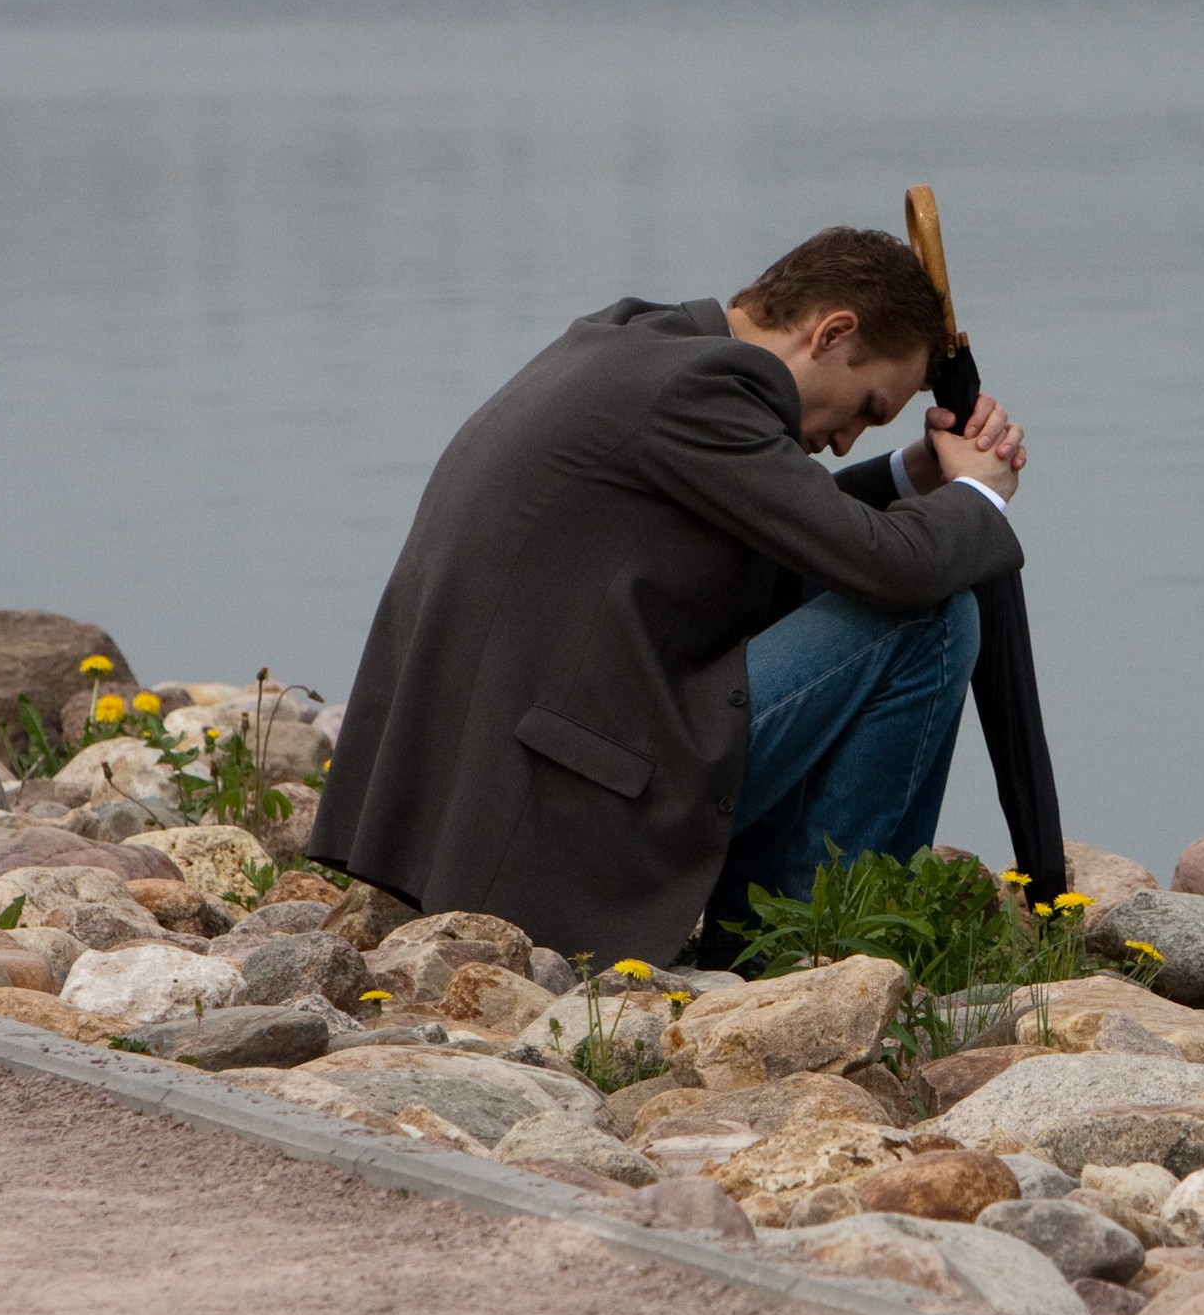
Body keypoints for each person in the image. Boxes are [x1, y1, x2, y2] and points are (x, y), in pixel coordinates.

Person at [307, 226, 1029, 973]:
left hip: (494, 795)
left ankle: (780, 928)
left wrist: (911, 477)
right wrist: (978, 494)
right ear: (833, 332)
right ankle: (804, 952)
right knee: (930, 617)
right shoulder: (701, 393)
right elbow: (893, 569)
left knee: (895, 588)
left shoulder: (638, 346)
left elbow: (784, 523)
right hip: (559, 821)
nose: (848, 440)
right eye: (869, 407)